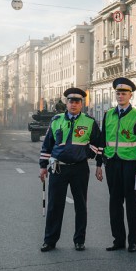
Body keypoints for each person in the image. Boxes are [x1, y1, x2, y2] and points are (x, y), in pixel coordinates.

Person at [39, 87, 101, 252]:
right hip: (58, 168)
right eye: (71, 101)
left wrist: (86, 154)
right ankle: (50, 240)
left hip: (79, 169)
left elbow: (97, 143)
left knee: (80, 205)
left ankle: (79, 240)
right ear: (66, 103)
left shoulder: (89, 121)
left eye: (77, 102)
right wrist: (43, 167)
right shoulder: (56, 120)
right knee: (54, 206)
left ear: (82, 104)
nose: (74, 105)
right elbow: (47, 145)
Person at [96, 77, 136, 252]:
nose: (120, 96)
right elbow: (103, 140)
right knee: (114, 202)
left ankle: (132, 241)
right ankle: (118, 239)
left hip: (130, 165)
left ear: (130, 95)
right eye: (118, 93)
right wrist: (98, 163)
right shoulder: (108, 114)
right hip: (112, 163)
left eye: (124, 93)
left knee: (131, 202)